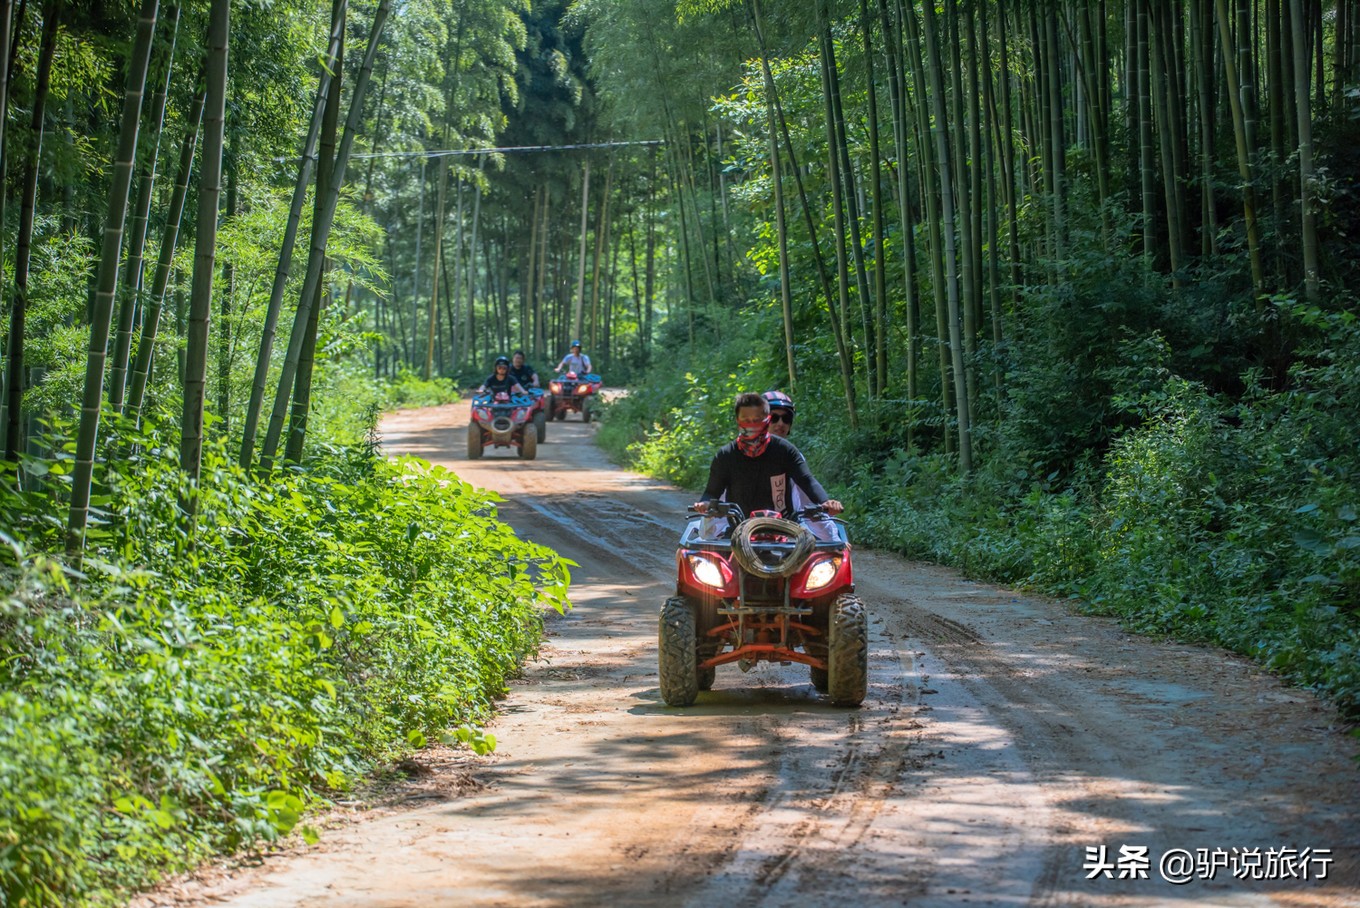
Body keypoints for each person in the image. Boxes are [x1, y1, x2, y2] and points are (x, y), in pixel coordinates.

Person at [693, 392, 843, 519]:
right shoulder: (725, 455)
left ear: (766, 420)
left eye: (757, 420)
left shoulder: (786, 450)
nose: (751, 425)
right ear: (738, 421)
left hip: (785, 527)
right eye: (746, 420)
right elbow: (712, 492)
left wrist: (826, 501)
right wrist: (704, 504)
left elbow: (806, 481)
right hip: (738, 528)